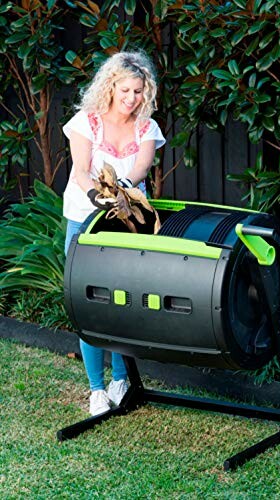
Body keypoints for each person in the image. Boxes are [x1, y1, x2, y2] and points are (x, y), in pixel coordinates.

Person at [63, 50, 165, 416]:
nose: (131, 98)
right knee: (88, 302)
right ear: (110, 86)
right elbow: (79, 171)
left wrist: (120, 191)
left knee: (125, 299)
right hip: (84, 219)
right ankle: (96, 388)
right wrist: (97, 197)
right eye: (125, 90)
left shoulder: (146, 127)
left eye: (138, 91)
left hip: (128, 222)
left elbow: (141, 167)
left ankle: (121, 379)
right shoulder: (85, 122)